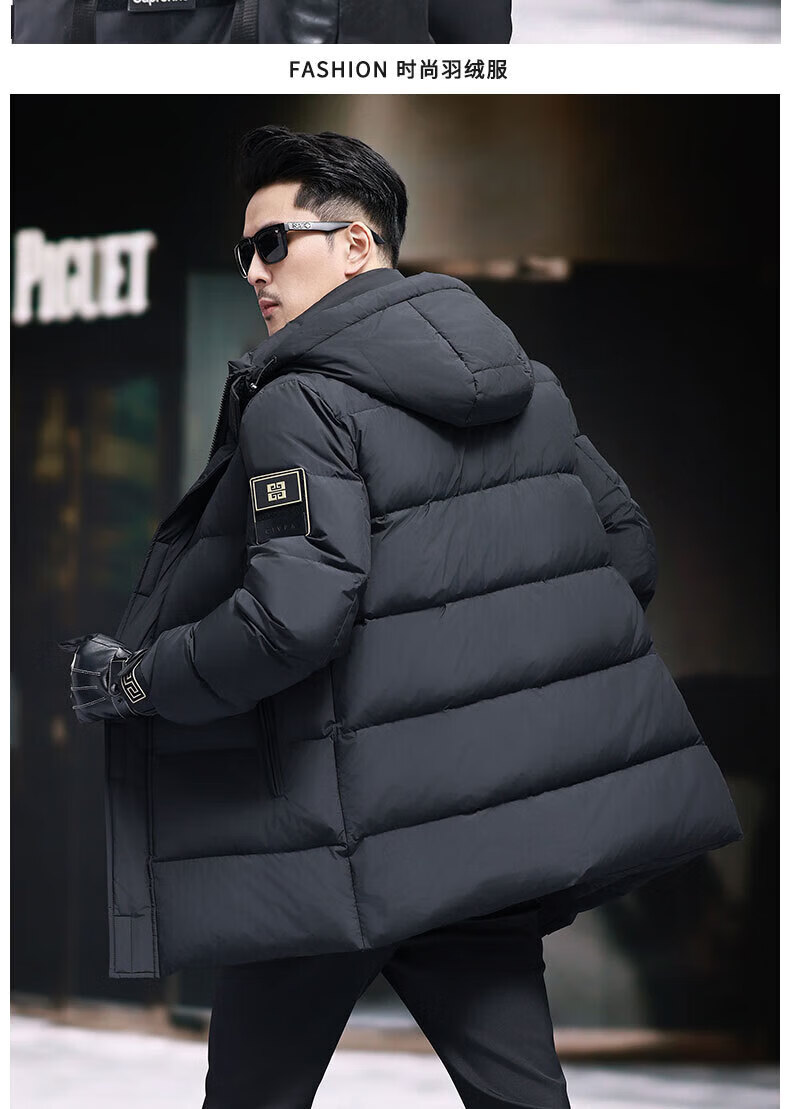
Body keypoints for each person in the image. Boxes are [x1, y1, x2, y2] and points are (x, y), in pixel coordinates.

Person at [60, 126, 742, 1109]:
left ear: (355, 243)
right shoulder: (527, 386)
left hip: (327, 848)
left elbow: (289, 620)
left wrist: (135, 678)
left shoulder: (300, 402)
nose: (253, 270)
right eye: (242, 250)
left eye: (271, 243)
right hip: (474, 844)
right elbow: (627, 553)